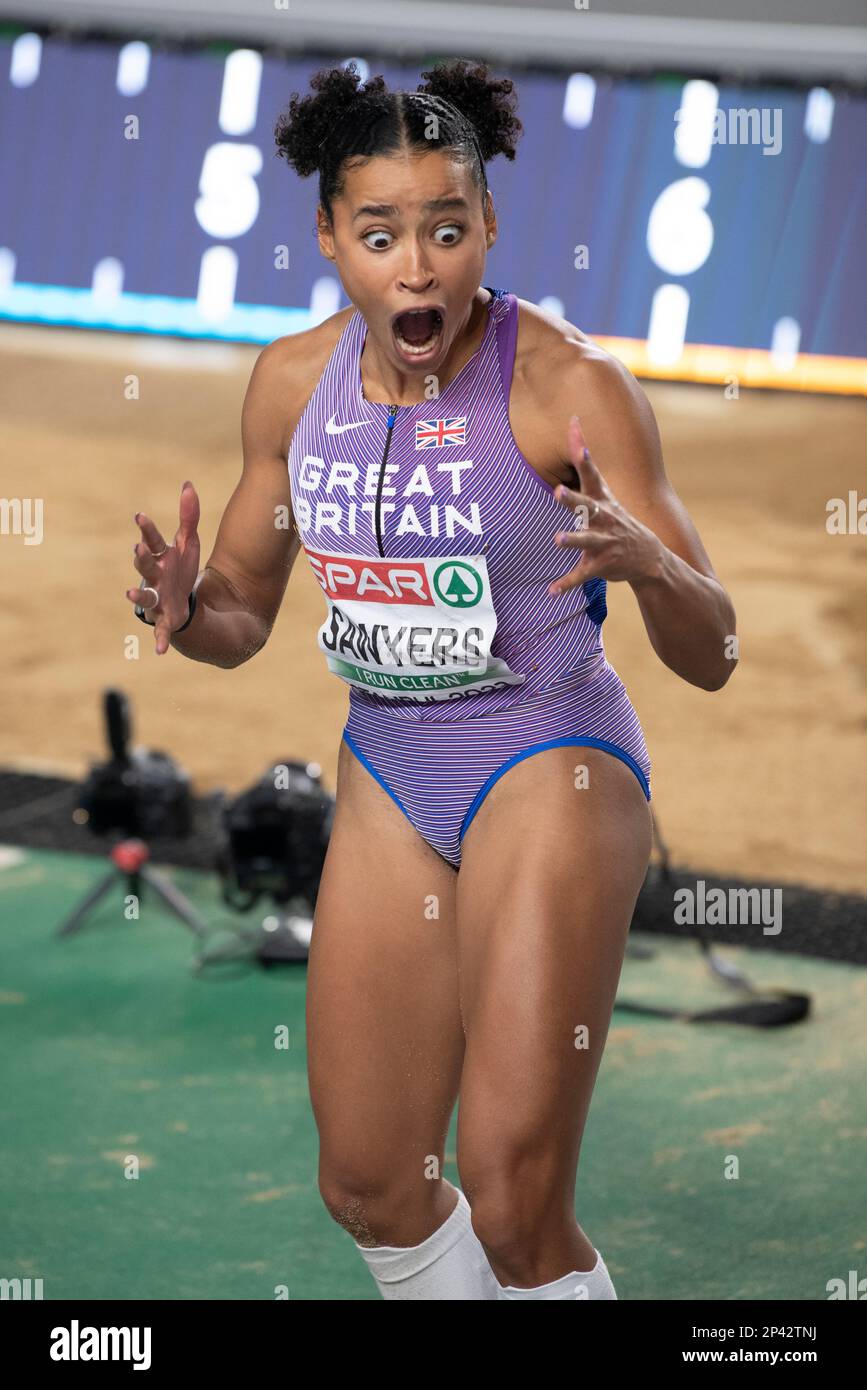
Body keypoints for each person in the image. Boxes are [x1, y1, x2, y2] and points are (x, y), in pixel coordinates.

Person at [126, 58, 737, 1301]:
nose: (420, 267)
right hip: (392, 773)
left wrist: (652, 569)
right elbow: (242, 614)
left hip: (549, 757)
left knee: (514, 1199)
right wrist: (188, 607)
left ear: (488, 228)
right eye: (382, 233)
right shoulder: (294, 387)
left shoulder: (569, 389)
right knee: (370, 1183)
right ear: (329, 237)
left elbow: (716, 649)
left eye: (448, 229)